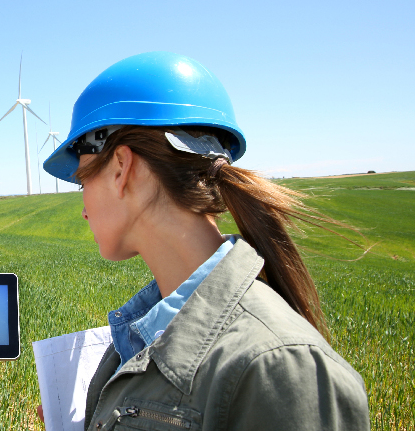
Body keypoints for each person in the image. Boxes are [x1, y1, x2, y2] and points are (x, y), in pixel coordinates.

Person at [41, 52, 369, 430]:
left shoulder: (277, 366)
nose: (83, 208)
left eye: (83, 181)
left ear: (120, 168)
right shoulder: (138, 340)